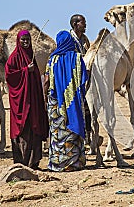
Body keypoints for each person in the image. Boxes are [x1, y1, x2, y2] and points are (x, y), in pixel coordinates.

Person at [44, 30, 88, 172]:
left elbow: (46, 81)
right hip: (74, 100)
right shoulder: (77, 58)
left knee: (58, 133)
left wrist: (45, 97)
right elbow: (83, 78)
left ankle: (58, 163)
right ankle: (75, 163)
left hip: (55, 103)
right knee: (72, 131)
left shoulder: (52, 60)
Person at [5, 30, 49, 170]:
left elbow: (36, 77)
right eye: (23, 40)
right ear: (19, 40)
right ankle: (22, 163)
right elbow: (10, 76)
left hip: (33, 101)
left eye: (27, 39)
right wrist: (25, 71)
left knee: (34, 128)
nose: (25, 42)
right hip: (21, 102)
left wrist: (32, 70)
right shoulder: (14, 58)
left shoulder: (32, 56)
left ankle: (33, 163)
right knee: (22, 130)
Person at [69, 14, 92, 147]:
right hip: (74, 78)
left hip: (85, 78)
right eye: (83, 22)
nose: (85, 25)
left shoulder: (85, 39)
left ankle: (88, 136)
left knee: (88, 108)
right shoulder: (69, 39)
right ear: (75, 24)